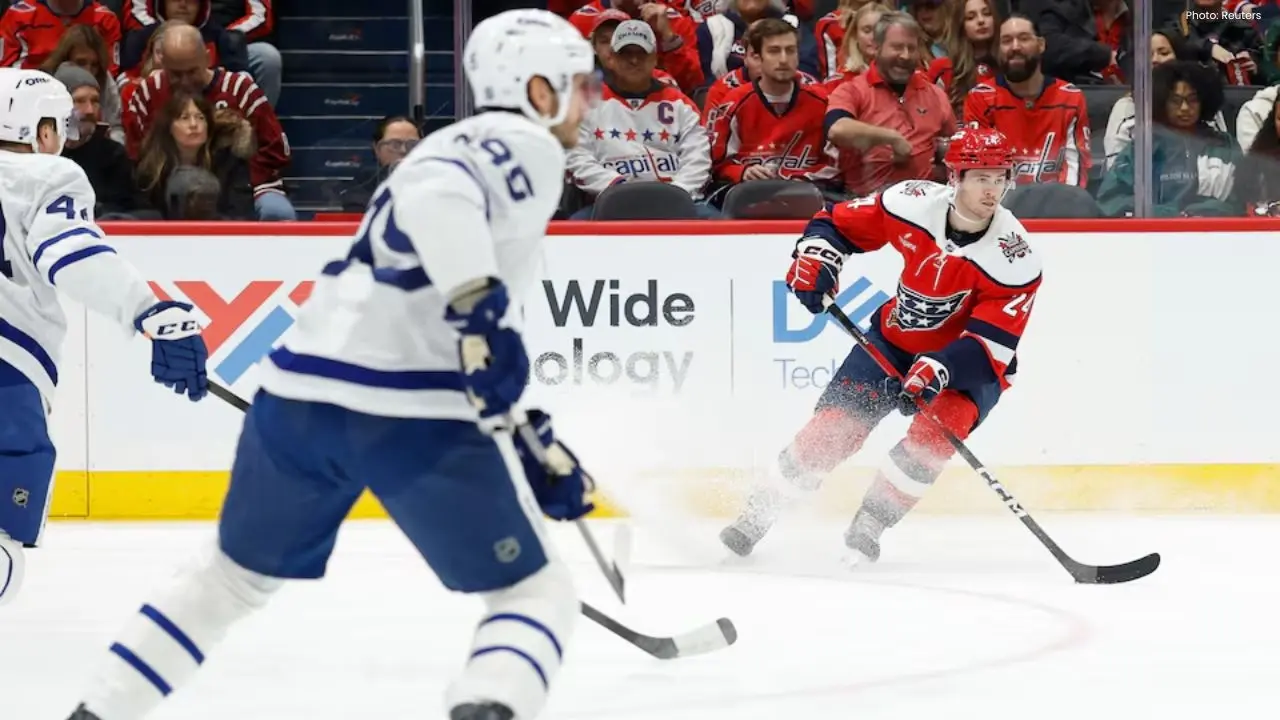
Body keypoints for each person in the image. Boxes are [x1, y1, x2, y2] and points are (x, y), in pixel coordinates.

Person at [67, 9, 598, 720]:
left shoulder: (453, 149)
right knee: (535, 594)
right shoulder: (522, 143)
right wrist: (477, 312)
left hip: (297, 399)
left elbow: (440, 302)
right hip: (407, 411)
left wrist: (518, 429)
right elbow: (451, 235)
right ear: (537, 90)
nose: (589, 98)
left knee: (225, 583)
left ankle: (97, 712)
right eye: (577, 83)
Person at [719, 126, 1042, 563]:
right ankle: (758, 512)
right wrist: (818, 254)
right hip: (893, 341)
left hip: (967, 366)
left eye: (1000, 177)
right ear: (956, 177)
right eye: (981, 177)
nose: (992, 189)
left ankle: (871, 523)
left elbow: (993, 346)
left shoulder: (1016, 259)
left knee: (934, 435)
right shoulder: (909, 203)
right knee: (833, 430)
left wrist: (939, 368)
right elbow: (835, 225)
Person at [0, 67, 208, 604]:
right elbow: (74, 257)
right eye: (58, 126)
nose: (63, 138)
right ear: (37, 130)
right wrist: (151, 313)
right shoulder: (46, 178)